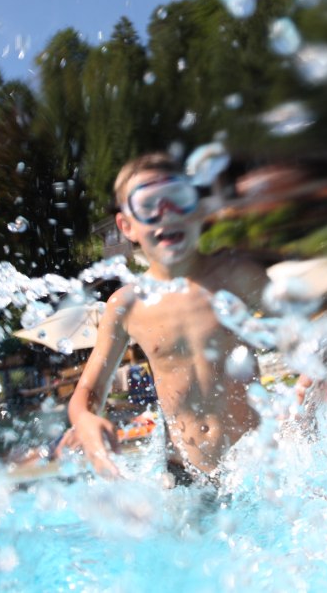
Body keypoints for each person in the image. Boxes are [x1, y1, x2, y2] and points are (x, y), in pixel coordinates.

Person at [68, 153, 269, 486]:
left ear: (199, 209)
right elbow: (89, 389)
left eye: (178, 198)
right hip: (183, 474)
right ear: (127, 226)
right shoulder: (127, 305)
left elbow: (301, 329)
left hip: (252, 468)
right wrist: (84, 420)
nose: (166, 212)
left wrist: (308, 384)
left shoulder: (236, 276)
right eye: (148, 203)